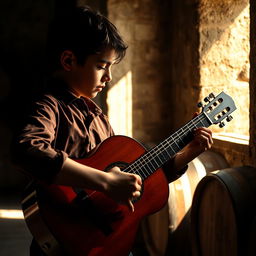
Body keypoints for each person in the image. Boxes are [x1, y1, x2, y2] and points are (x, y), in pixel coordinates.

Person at [11, 5, 213, 256]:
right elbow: (27, 149)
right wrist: (105, 181)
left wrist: (188, 153)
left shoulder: (97, 116)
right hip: (67, 240)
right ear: (69, 61)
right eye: (101, 66)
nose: (108, 77)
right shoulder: (48, 105)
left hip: (107, 240)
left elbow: (138, 179)